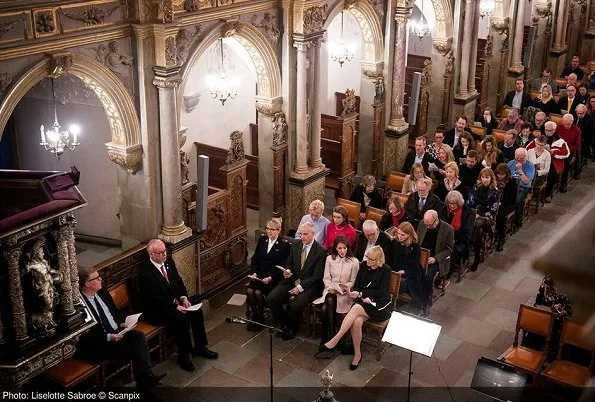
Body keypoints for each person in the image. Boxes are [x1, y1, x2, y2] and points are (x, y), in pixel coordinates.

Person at [77, 267, 167, 389]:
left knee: (138, 337)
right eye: (97, 278)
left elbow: (114, 313)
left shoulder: (102, 293)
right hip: (102, 341)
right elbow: (85, 336)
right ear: (87, 283)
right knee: (137, 349)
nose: (101, 279)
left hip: (118, 332)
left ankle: (145, 378)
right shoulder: (81, 305)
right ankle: (145, 380)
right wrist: (109, 337)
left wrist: (122, 323)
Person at [138, 239, 218, 372]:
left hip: (174, 302)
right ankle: (184, 355)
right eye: (160, 253)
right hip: (158, 310)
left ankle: (200, 347)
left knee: (197, 312)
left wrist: (183, 298)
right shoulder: (146, 273)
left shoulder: (168, 262)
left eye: (165, 251)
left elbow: (178, 281)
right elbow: (154, 299)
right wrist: (175, 307)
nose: (164, 254)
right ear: (151, 255)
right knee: (182, 319)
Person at [319, 246, 392, 369]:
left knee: (356, 308)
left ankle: (336, 339)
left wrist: (363, 294)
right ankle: (357, 354)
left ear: (379, 260)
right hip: (364, 302)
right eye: (368, 258)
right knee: (357, 322)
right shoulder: (363, 266)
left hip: (379, 305)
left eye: (372, 259)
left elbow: (382, 292)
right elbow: (358, 285)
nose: (368, 261)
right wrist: (356, 293)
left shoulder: (385, 270)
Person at [267, 222, 325, 340]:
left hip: (310, 286)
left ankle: (292, 329)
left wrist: (300, 288)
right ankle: (285, 323)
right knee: (271, 299)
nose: (302, 237)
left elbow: (317, 276)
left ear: (313, 234)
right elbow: (289, 262)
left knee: (296, 304)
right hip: (292, 279)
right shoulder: (296, 244)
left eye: (305, 234)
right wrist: (287, 270)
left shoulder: (320, 251)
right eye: (300, 234)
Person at [246, 218, 290, 331]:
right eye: (267, 229)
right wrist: (254, 272)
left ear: (278, 230)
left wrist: (271, 278)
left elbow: (283, 266)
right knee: (250, 291)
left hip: (273, 277)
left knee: (258, 292)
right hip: (259, 274)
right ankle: (255, 316)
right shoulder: (262, 240)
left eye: (272, 229)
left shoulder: (284, 245)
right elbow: (255, 259)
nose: (269, 231)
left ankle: (261, 320)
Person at [318, 236, 359, 350]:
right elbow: (326, 278)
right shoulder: (329, 259)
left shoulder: (354, 262)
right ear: (335, 248)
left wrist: (345, 288)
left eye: (344, 248)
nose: (342, 251)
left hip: (344, 294)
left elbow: (352, 281)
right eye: (339, 248)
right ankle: (332, 336)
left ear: (348, 248)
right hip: (330, 290)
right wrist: (329, 287)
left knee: (325, 308)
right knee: (330, 299)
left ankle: (326, 339)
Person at [417, 210, 454, 313]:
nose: (427, 227)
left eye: (430, 225)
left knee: (428, 276)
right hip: (421, 256)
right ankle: (416, 296)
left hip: (436, 260)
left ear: (436, 220)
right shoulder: (422, 223)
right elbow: (417, 240)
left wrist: (435, 258)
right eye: (426, 224)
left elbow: (449, 250)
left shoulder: (448, 229)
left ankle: (426, 302)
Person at [466, 168, 500, 271]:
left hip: (487, 217)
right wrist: (474, 213)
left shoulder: (495, 191)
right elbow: (469, 202)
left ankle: (476, 257)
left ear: (491, 178)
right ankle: (468, 248)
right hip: (474, 214)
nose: (485, 179)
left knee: (478, 224)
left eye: (487, 177)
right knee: (472, 225)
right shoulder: (475, 188)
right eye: (483, 177)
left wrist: (480, 216)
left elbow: (493, 209)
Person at [527, 121, 570, 202]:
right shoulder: (539, 138)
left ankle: (547, 193)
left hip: (553, 162)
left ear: (554, 130)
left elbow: (567, 153)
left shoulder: (560, 141)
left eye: (549, 130)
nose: (547, 132)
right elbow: (528, 148)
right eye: (546, 130)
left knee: (552, 175)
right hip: (538, 160)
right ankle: (531, 192)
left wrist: (555, 152)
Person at [439, 191, 473, 280]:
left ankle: (446, 276)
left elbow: (467, 234)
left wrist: (454, 239)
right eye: (450, 203)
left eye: (454, 204)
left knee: (450, 251)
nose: (451, 206)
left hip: (459, 241)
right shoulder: (443, 210)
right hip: (444, 239)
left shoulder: (466, 212)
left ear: (459, 203)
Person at [390, 222, 423, 313]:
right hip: (394, 272)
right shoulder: (395, 243)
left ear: (409, 235)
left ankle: (392, 307)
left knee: (394, 286)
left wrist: (404, 271)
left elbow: (415, 267)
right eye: (398, 234)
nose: (399, 237)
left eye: (403, 235)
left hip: (409, 276)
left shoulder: (415, 247)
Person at [507, 148, 535, 226]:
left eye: (521, 159)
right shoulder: (511, 163)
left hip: (524, 188)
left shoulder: (530, 166)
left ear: (525, 157)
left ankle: (517, 220)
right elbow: (506, 176)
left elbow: (526, 181)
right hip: (512, 186)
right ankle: (508, 215)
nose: (518, 160)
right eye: (517, 158)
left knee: (517, 200)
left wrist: (520, 170)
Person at [494, 163, 518, 251]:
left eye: (502, 174)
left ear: (507, 174)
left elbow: (512, 198)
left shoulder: (512, 182)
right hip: (496, 202)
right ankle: (493, 233)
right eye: (498, 174)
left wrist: (501, 202)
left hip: (508, 204)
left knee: (500, 217)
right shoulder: (494, 181)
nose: (500, 176)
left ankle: (501, 238)